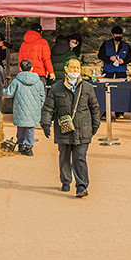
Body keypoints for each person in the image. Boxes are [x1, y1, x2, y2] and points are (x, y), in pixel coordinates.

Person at [40, 58, 101, 197]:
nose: (75, 70)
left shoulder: (87, 88)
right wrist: (45, 123)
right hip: (64, 129)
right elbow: (48, 108)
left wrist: (95, 125)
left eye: (78, 67)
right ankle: (66, 180)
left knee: (80, 157)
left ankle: (81, 186)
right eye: (72, 67)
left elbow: (94, 108)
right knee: (64, 157)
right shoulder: (56, 88)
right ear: (66, 69)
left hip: (82, 128)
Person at [4, 59, 46, 156]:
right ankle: (29, 148)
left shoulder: (16, 81)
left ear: (20, 68)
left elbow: (9, 93)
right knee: (30, 128)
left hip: (20, 108)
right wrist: (39, 105)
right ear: (32, 68)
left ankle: (20, 144)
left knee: (21, 126)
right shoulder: (38, 82)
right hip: (33, 109)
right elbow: (42, 96)